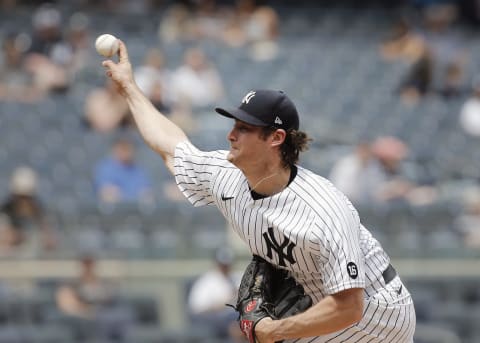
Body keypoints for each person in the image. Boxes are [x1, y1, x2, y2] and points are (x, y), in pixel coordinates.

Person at [101, 40, 416, 342]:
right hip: (319, 304)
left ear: (276, 138)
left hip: (378, 316)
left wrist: (274, 329)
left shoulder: (324, 208)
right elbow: (171, 147)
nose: (230, 135)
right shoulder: (224, 175)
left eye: (244, 128)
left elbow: (349, 307)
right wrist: (129, 88)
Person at [187, 247, 243, 341]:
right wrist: (224, 303)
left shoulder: (237, 277)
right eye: (223, 264)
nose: (226, 267)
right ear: (216, 263)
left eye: (228, 264)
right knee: (235, 325)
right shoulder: (207, 281)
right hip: (214, 318)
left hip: (236, 314)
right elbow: (197, 309)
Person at [93, 136, 154, 205]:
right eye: (123, 148)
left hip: (135, 211)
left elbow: (146, 194)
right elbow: (107, 195)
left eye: (128, 148)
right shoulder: (106, 168)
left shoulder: (138, 170)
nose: (125, 151)